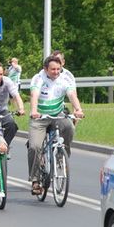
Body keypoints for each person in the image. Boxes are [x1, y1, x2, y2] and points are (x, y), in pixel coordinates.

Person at [27, 55, 84, 195]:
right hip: (40, 117)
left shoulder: (65, 78)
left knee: (69, 126)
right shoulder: (38, 78)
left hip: (58, 114)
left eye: (58, 69)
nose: (56, 72)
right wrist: (34, 111)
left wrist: (78, 109)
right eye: (53, 69)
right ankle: (35, 180)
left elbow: (72, 95)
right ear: (45, 69)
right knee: (34, 147)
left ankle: (62, 157)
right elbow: (34, 95)